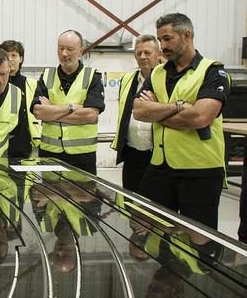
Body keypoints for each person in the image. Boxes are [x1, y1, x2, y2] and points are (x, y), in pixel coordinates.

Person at [133, 13, 230, 248]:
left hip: (200, 171)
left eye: (167, 39)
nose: (162, 46)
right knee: (150, 229)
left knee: (198, 241)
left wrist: (157, 113)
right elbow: (138, 111)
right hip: (160, 167)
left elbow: (200, 117)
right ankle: (163, 281)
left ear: (186, 35)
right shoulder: (157, 73)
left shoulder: (212, 72)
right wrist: (177, 107)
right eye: (160, 40)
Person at [31, 30, 105, 174]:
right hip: (50, 153)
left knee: (83, 195)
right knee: (50, 195)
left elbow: (90, 115)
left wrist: (51, 111)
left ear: (81, 51)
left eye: (70, 49)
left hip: (82, 155)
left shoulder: (92, 77)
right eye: (61, 48)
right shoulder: (47, 76)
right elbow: (38, 112)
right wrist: (72, 107)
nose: (64, 53)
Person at [111, 35, 162, 192]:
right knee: (130, 203)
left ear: (159, 54)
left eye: (147, 52)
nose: (142, 57)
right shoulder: (127, 79)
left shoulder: (167, 79)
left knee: (156, 206)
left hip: (158, 155)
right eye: (138, 53)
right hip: (132, 154)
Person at [0, 40, 41, 158]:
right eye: (6, 55)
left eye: (14, 55)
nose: (10, 59)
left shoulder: (32, 85)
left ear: (21, 58)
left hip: (23, 145)